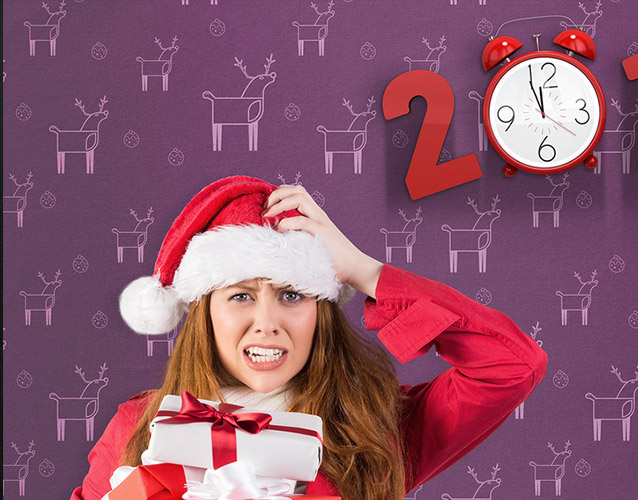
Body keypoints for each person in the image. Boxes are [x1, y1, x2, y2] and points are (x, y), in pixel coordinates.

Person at [71, 175, 548, 500]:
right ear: (205, 313)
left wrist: (364, 270)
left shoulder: (376, 428)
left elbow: (511, 365)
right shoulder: (138, 425)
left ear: (321, 313)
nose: (267, 322)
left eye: (292, 295)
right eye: (240, 296)